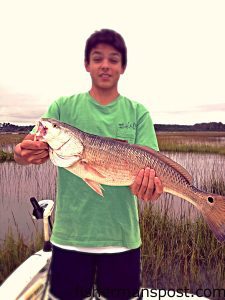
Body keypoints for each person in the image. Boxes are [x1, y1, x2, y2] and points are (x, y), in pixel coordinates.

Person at [14, 29, 163, 300]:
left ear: (123, 66)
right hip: (68, 239)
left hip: (123, 240)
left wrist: (149, 188)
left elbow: (152, 170)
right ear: (87, 64)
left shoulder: (138, 112)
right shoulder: (62, 106)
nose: (105, 65)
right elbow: (27, 146)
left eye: (113, 59)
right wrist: (22, 154)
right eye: (97, 58)